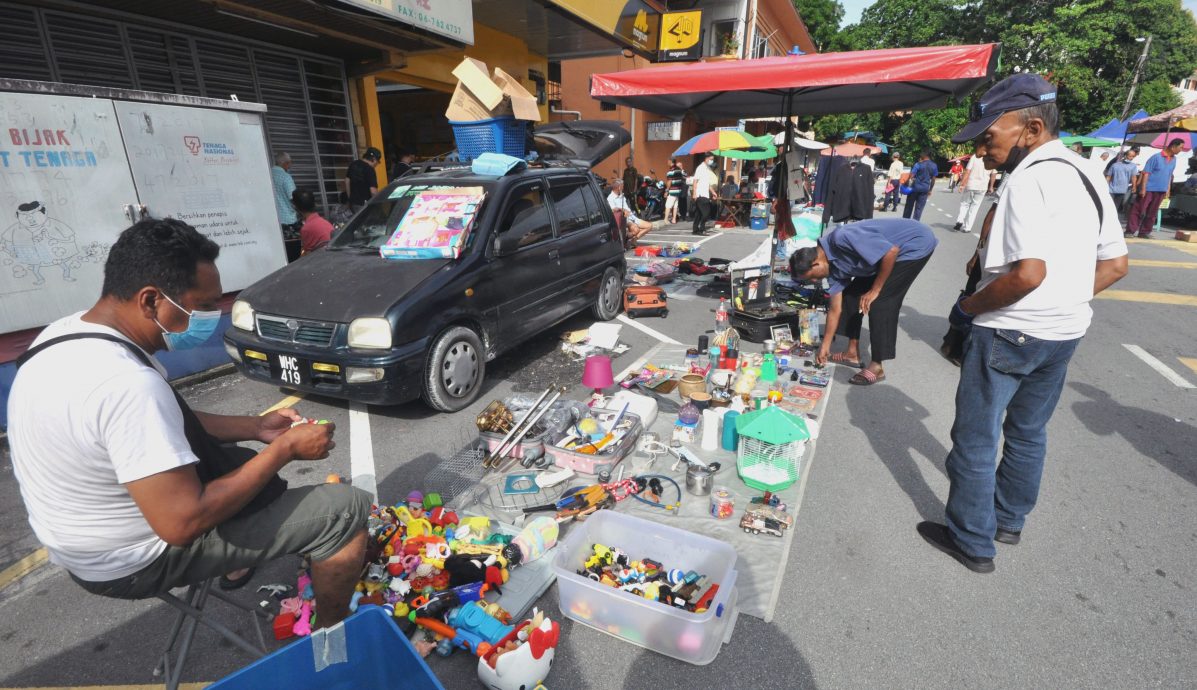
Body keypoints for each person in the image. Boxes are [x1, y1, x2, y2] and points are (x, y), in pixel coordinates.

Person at [7, 218, 370, 621]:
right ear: (150, 301)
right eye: (203, 305)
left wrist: (255, 427)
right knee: (344, 509)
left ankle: (241, 556)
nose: (213, 315)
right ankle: (333, 635)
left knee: (228, 454)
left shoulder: (66, 335)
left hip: (78, 545)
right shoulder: (127, 384)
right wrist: (285, 450)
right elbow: (182, 524)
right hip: (132, 561)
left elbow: (162, 423)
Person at [919, 73, 1128, 574]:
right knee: (1029, 432)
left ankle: (972, 538)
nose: (983, 150)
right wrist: (1065, 301)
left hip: (1010, 329)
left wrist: (969, 310)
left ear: (1031, 128)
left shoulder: (1029, 178)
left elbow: (1028, 275)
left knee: (976, 436)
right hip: (1064, 332)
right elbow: (1116, 264)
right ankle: (1009, 521)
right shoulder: (1086, 172)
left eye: (991, 137)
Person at [788, 218, 936, 385]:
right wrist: (825, 345)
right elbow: (835, 309)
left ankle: (877, 366)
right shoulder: (831, 269)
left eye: (813, 277)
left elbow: (891, 251)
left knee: (881, 303)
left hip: (913, 244)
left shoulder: (842, 238)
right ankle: (852, 353)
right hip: (882, 258)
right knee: (850, 296)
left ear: (816, 264)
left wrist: (875, 290)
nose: (815, 281)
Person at [1126, 138, 1184, 238]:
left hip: (1161, 189)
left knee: (1152, 212)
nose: (1181, 150)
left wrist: (1168, 189)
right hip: (1149, 189)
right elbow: (1146, 173)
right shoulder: (1156, 157)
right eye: (1180, 147)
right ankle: (1130, 231)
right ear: (1173, 146)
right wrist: (1143, 188)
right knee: (1138, 210)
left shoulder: (1174, 160)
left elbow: (1169, 175)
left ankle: (1144, 232)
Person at [953, 146, 995, 232]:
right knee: (975, 207)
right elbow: (993, 174)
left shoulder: (975, 157)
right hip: (982, 187)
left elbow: (967, 171)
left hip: (971, 185)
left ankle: (960, 220)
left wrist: (962, 185)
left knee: (965, 204)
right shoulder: (992, 159)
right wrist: (991, 187)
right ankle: (967, 228)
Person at [607, 179, 652, 244]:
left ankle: (634, 240)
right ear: (619, 187)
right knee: (636, 230)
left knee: (649, 226)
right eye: (622, 186)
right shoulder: (610, 198)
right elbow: (612, 209)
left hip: (632, 216)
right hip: (625, 219)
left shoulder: (622, 195)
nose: (623, 188)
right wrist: (622, 210)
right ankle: (625, 238)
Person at [294, 189, 334, 255]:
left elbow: (308, 256)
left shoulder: (306, 229)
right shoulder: (325, 222)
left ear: (297, 208)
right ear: (315, 204)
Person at [903, 150, 938, 221]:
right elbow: (933, 179)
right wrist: (930, 190)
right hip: (925, 189)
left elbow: (912, 175)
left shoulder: (918, 164)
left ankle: (905, 222)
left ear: (925, 155)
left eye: (922, 154)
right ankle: (915, 224)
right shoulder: (934, 165)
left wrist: (907, 182)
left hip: (915, 188)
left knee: (909, 207)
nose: (920, 156)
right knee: (919, 209)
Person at [271, 152, 300, 241]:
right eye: (290, 162)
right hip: (288, 221)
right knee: (293, 249)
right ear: (285, 163)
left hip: (273, 220)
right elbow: (293, 198)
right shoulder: (286, 177)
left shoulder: (267, 174)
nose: (290, 165)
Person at [345, 147, 381, 211]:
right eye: (377, 161)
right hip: (364, 205)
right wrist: (378, 205)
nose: (376, 164)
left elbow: (347, 181)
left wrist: (350, 198)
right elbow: (373, 191)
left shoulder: (353, 164)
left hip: (353, 203)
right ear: (373, 159)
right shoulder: (369, 169)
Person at [1105, 146, 1140, 211]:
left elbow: (1133, 177)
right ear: (1126, 155)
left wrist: (1134, 186)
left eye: (1133, 156)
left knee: (1115, 208)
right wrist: (1105, 186)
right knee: (1108, 206)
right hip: (1111, 190)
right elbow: (1108, 177)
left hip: (1122, 190)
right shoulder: (1115, 165)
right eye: (1130, 156)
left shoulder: (1133, 166)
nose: (1131, 158)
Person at [692, 153, 719, 235]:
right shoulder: (700, 168)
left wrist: (713, 192)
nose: (712, 161)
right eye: (711, 159)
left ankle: (695, 229)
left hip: (706, 193)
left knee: (699, 213)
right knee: (706, 213)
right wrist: (694, 193)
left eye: (713, 159)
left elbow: (707, 183)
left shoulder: (708, 168)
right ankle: (701, 229)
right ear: (706, 159)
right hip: (700, 193)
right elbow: (695, 181)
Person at [665, 159, 685, 224]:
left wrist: (666, 191)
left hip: (672, 190)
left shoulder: (671, 171)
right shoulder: (679, 170)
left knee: (668, 205)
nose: (667, 162)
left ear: (671, 162)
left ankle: (666, 219)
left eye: (668, 161)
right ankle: (674, 219)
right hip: (678, 190)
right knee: (675, 205)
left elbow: (669, 182)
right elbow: (683, 178)